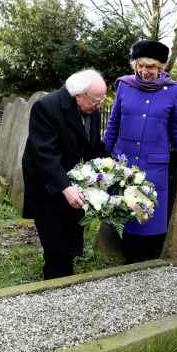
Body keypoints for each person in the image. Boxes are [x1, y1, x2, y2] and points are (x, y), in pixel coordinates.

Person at [103, 40, 177, 263]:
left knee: (150, 218)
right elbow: (114, 122)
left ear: (161, 68)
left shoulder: (173, 91)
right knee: (125, 214)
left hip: (154, 165)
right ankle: (125, 261)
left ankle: (147, 262)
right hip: (124, 162)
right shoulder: (124, 86)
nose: (145, 71)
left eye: (151, 67)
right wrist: (102, 153)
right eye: (141, 66)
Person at [22, 69, 107, 279]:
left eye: (102, 99)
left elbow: (93, 146)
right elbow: (45, 154)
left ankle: (66, 270)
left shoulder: (91, 110)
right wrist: (65, 187)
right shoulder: (46, 107)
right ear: (78, 95)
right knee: (54, 236)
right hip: (46, 180)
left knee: (71, 230)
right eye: (96, 100)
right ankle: (55, 280)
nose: (100, 105)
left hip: (71, 176)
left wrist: (113, 169)